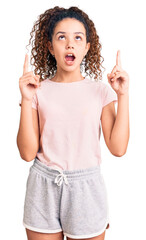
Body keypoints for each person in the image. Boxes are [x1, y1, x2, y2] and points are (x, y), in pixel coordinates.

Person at [16, 6, 130, 240]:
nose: (70, 44)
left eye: (78, 38)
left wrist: (123, 95)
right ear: (50, 46)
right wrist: (26, 100)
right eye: (61, 37)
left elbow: (118, 149)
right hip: (43, 186)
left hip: (86, 189)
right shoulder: (37, 90)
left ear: (87, 47)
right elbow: (27, 154)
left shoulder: (100, 91)